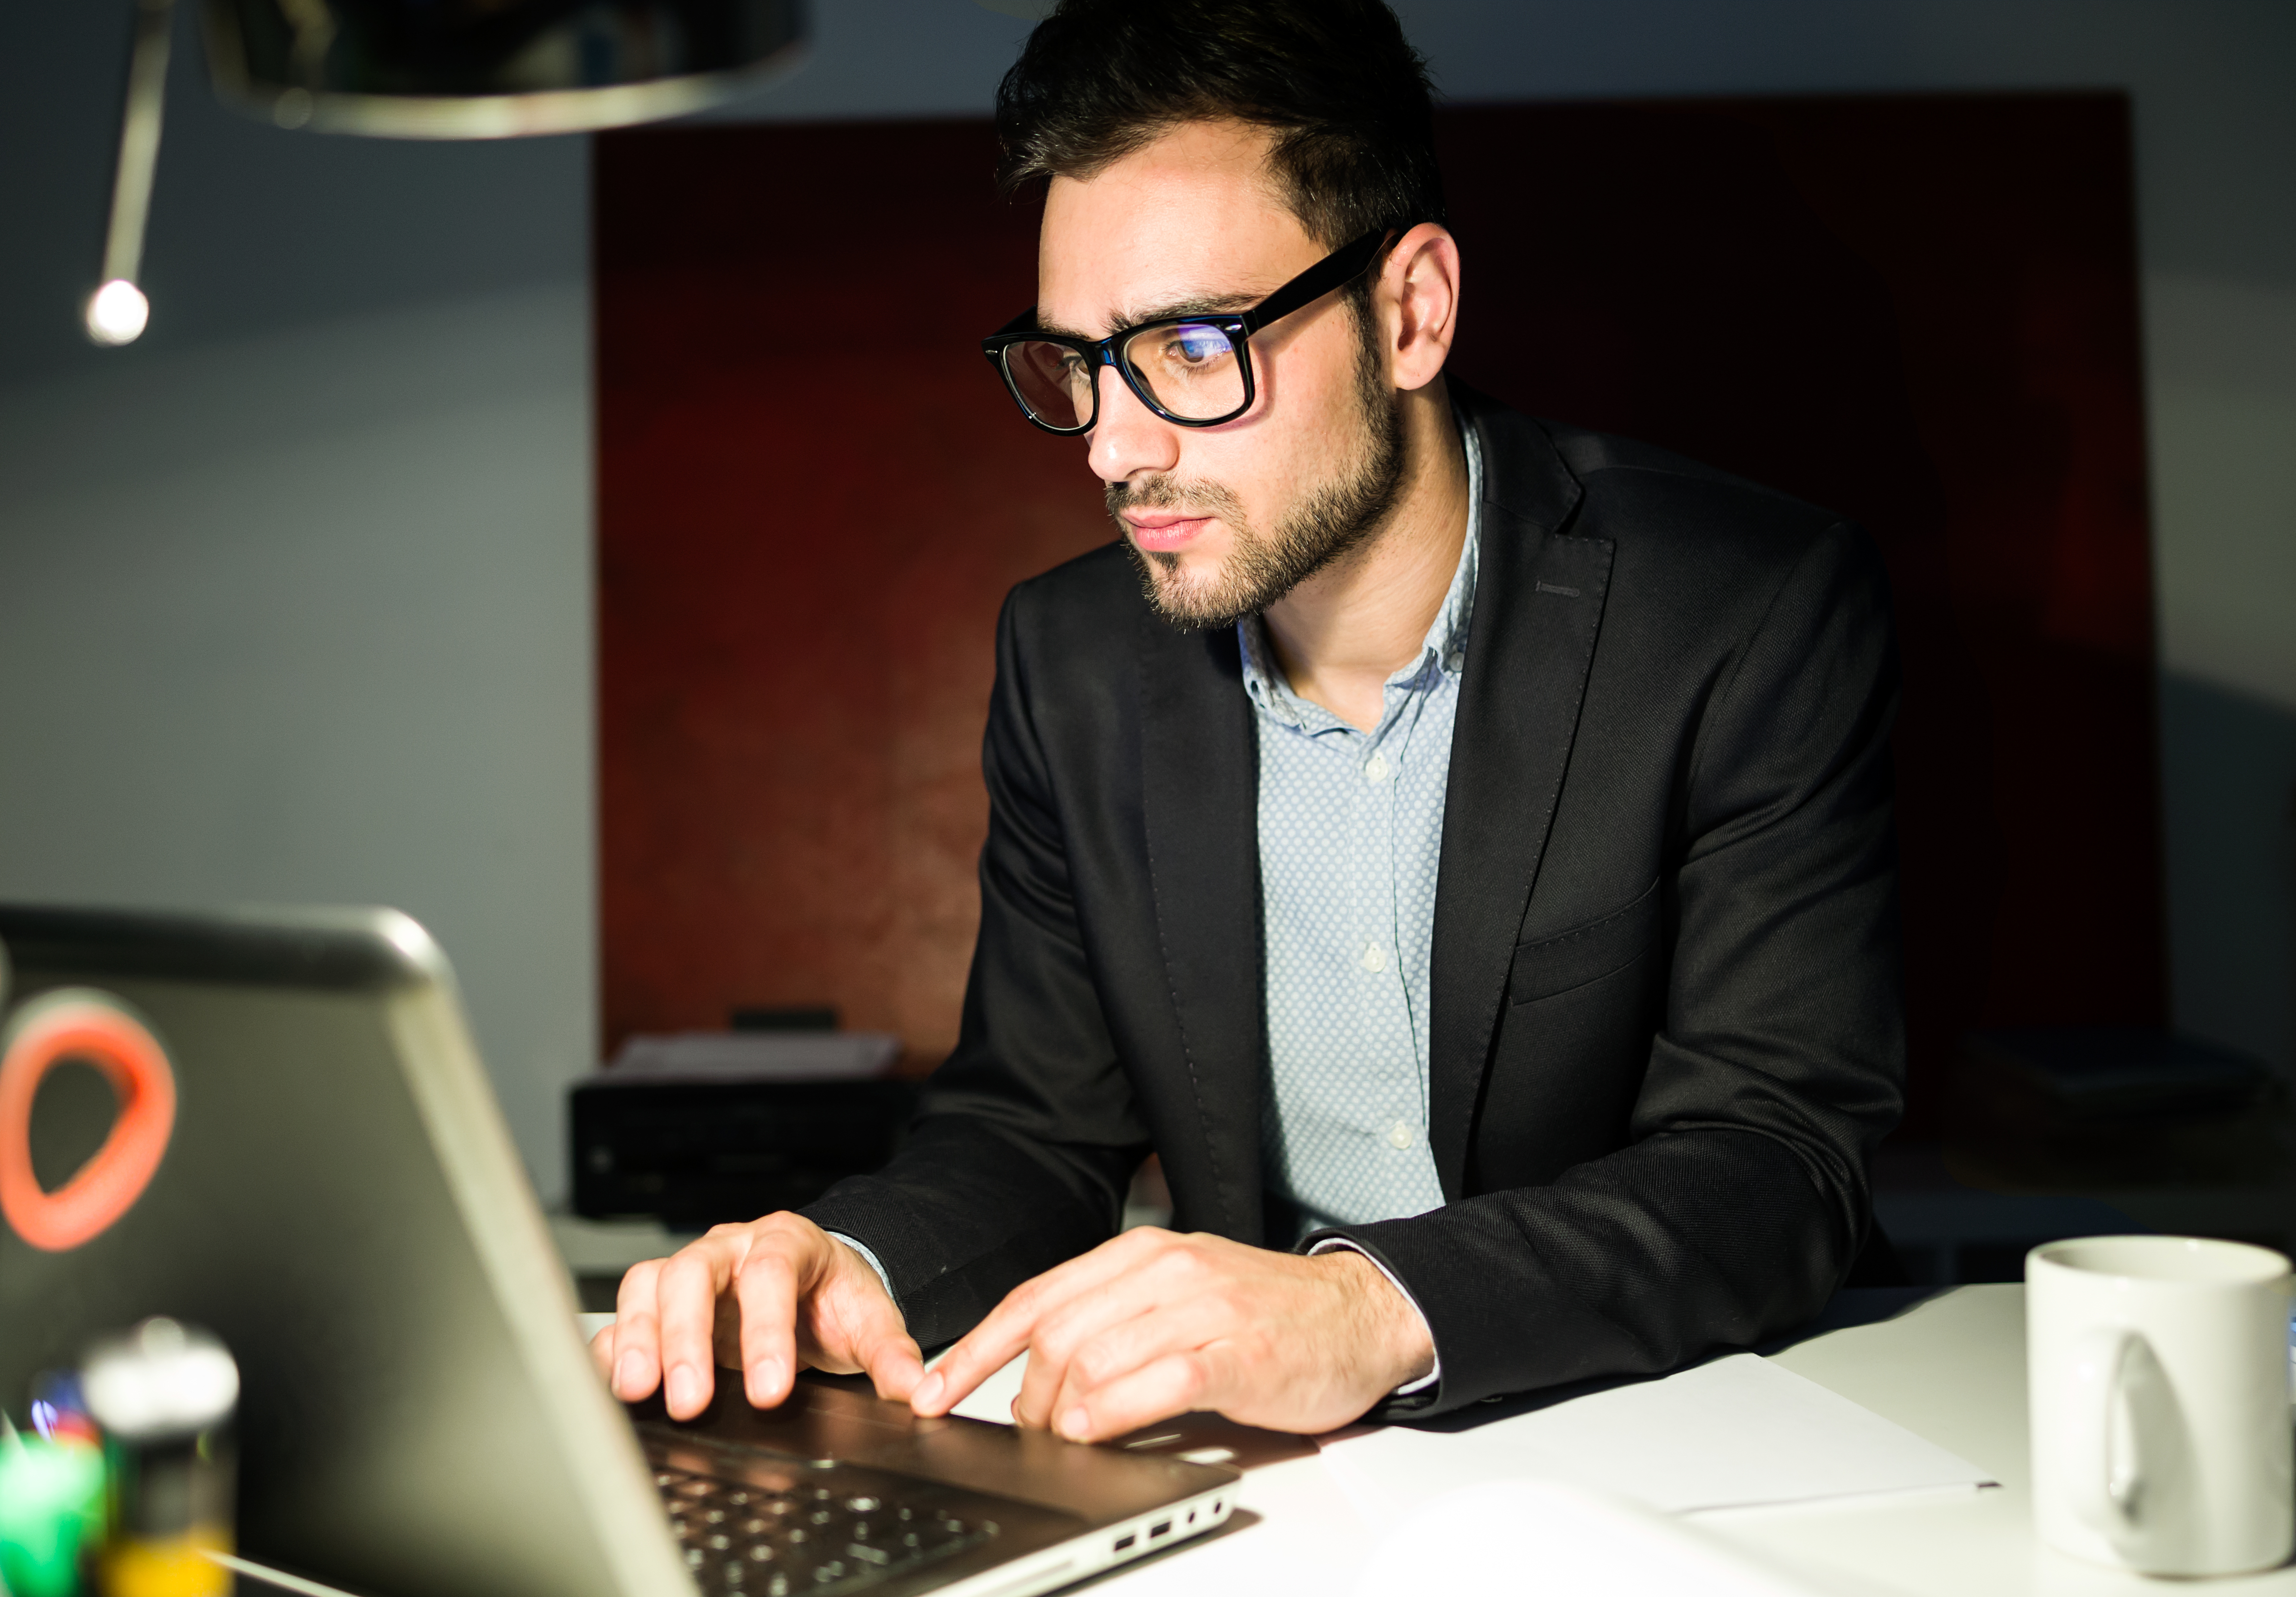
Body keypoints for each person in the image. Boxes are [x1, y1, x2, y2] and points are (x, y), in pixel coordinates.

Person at [593, 0, 1904, 1440]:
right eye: (1076, 360)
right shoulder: (1069, 657)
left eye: (1191, 347)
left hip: (1663, 1443)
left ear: (1407, 312)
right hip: (1278, 1483)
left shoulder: (1745, 608)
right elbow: (1032, 1131)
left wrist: (1362, 1305)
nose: (1112, 446)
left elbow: (1777, 1161)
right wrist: (841, 1259)